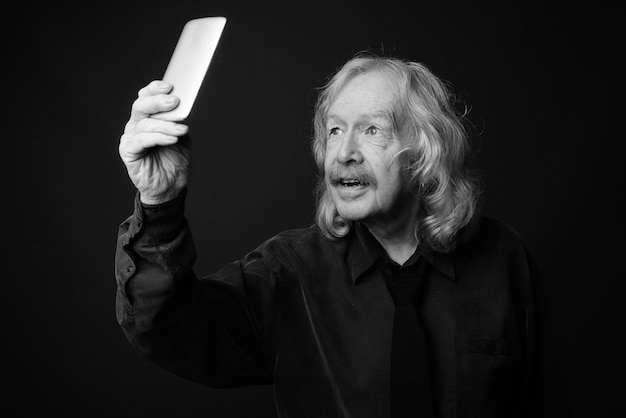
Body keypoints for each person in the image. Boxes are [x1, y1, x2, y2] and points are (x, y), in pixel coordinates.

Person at [116, 55, 568, 417]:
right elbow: (167, 329)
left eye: (372, 130)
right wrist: (160, 203)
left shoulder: (502, 257)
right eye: (335, 130)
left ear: (426, 152)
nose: (345, 153)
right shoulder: (289, 270)